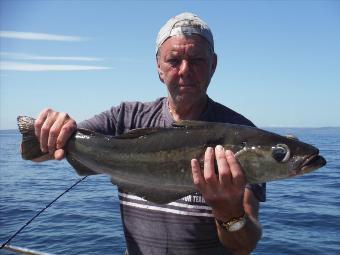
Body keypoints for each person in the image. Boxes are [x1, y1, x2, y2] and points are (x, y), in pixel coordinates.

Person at [33, 12, 265, 255]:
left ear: (213, 65)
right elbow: (37, 152)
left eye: (196, 60)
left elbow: (244, 246)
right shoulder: (124, 117)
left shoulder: (242, 133)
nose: (185, 70)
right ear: (159, 67)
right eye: (174, 61)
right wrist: (51, 130)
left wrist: (228, 212)